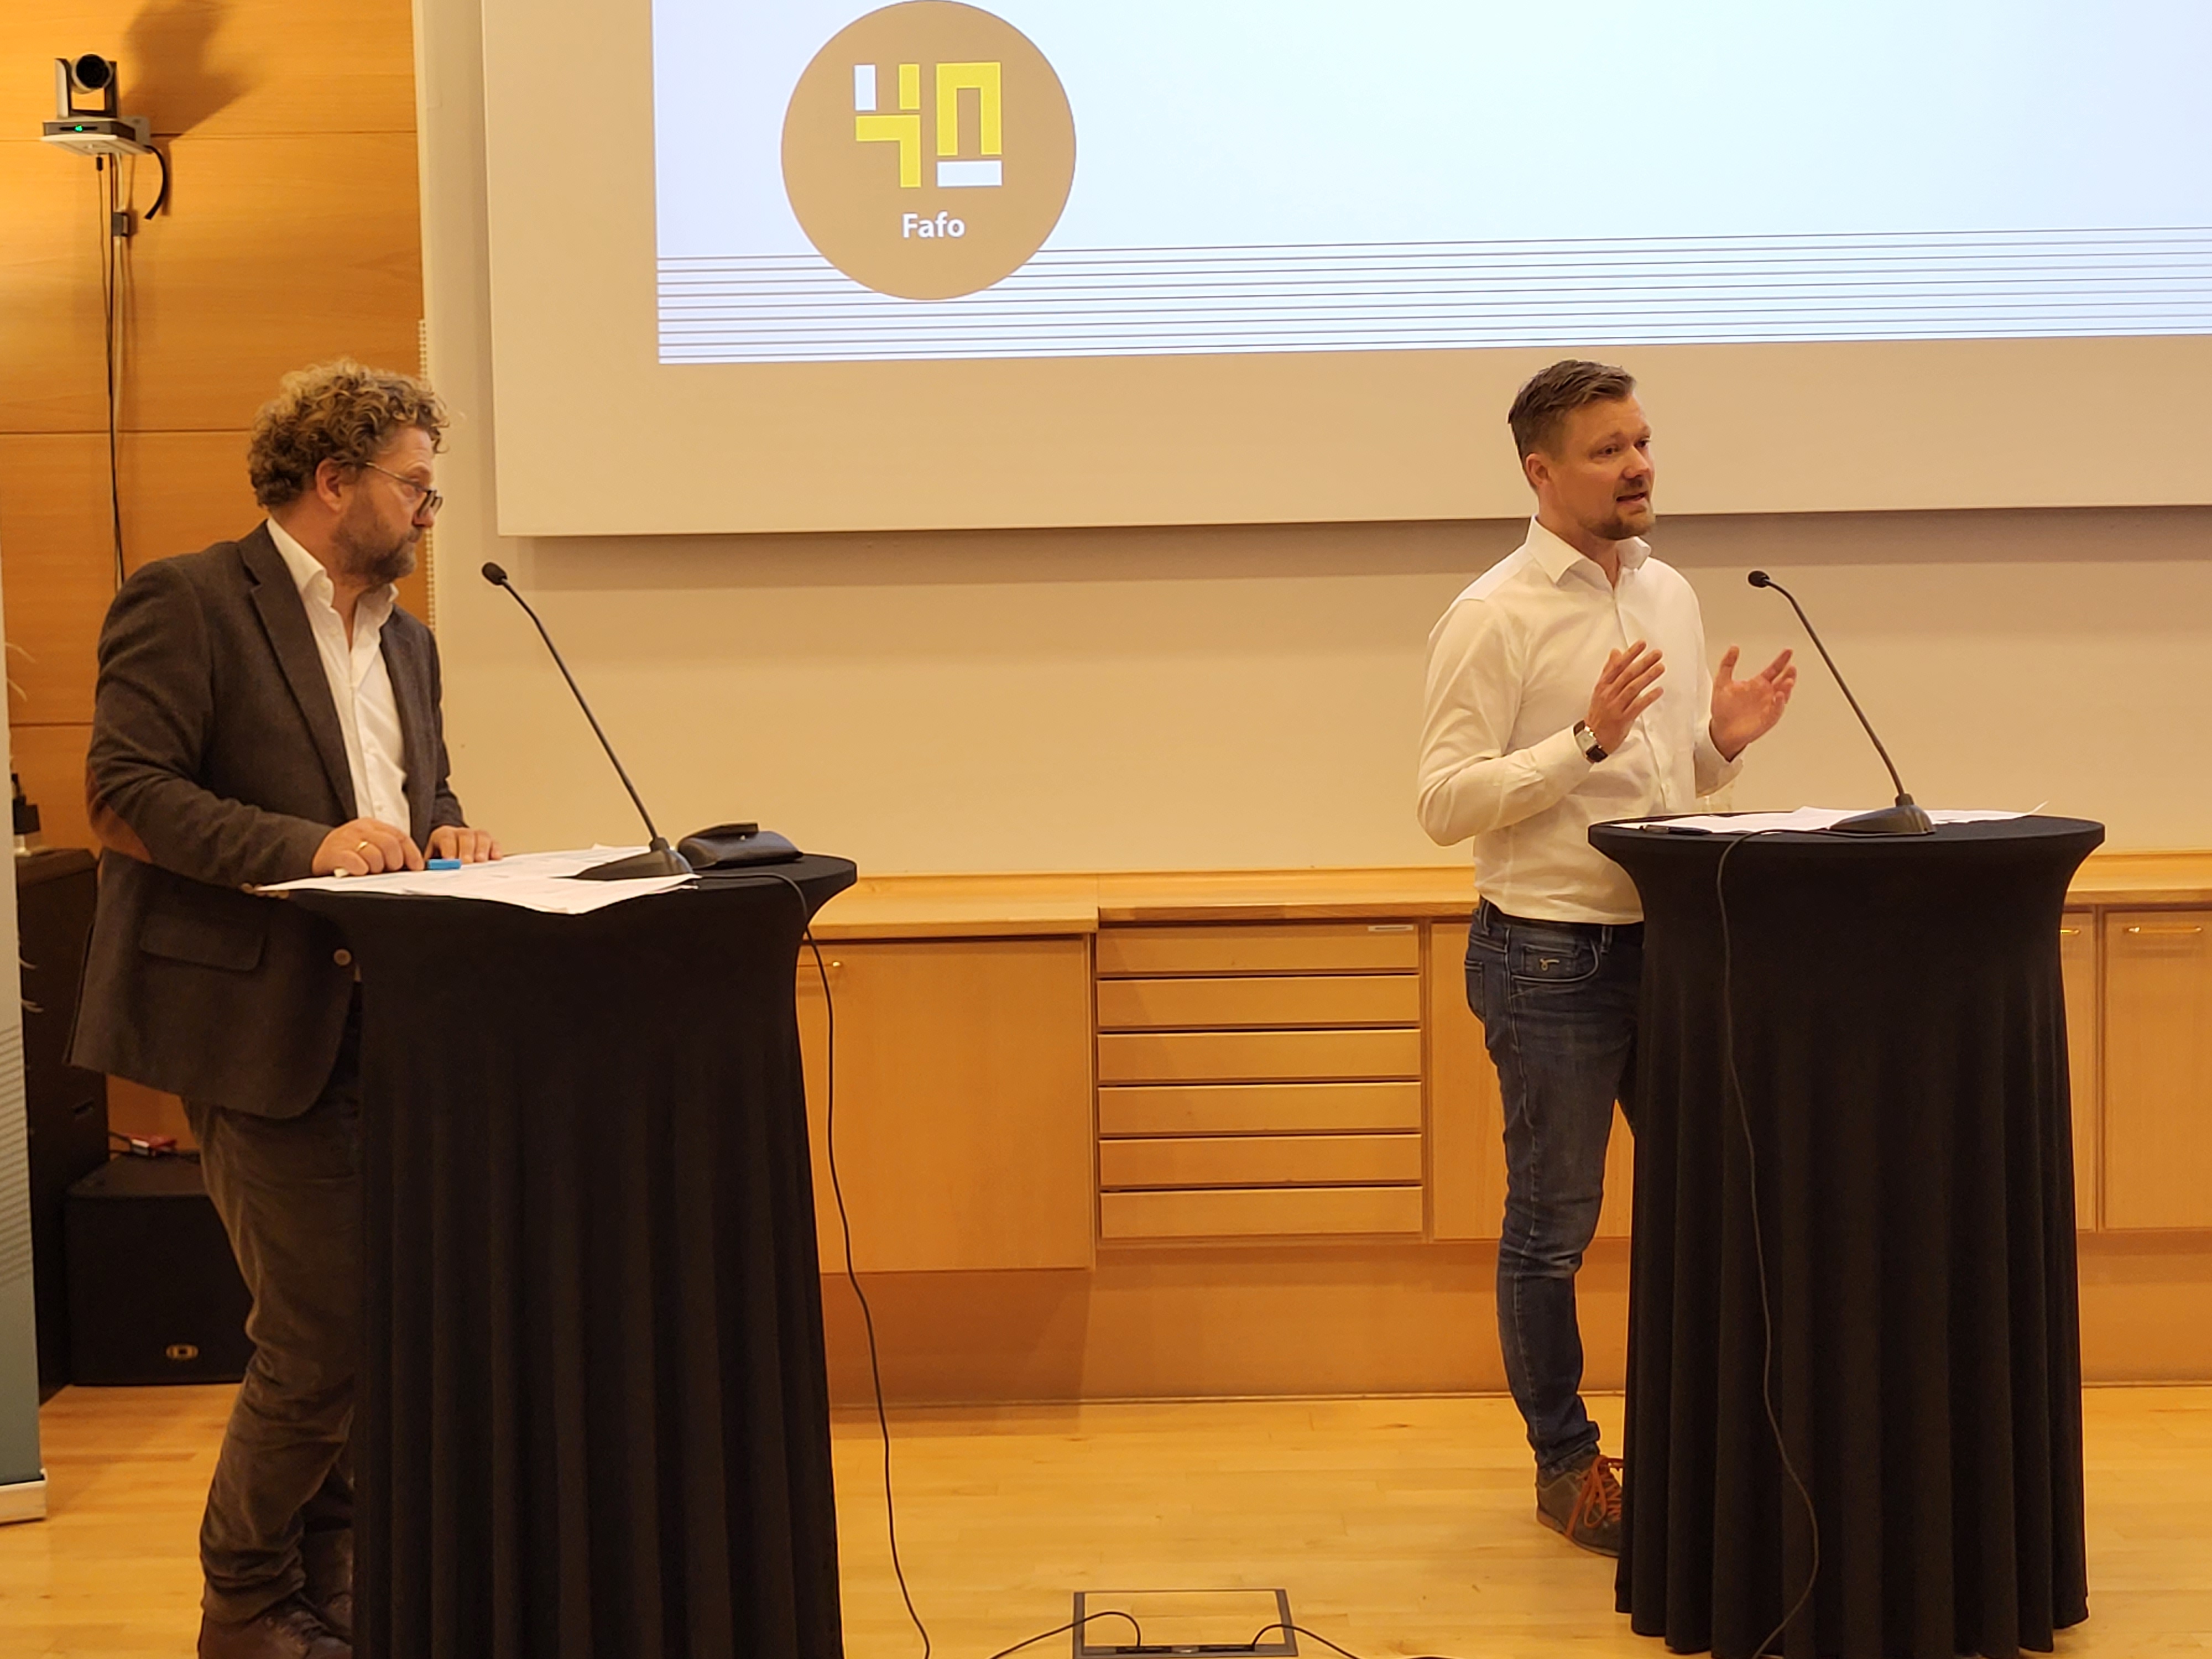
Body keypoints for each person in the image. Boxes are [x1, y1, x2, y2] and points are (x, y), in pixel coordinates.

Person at [71, 360, 499, 1659]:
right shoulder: (192, 601)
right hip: (253, 1028)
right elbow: (124, 793)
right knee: (324, 1336)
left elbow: (409, 792)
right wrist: (305, 845)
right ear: (331, 480)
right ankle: (246, 1599)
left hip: (394, 1023)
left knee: (381, 1331)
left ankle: (335, 1579)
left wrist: (446, 831)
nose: (429, 513)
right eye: (414, 487)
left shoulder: (410, 641)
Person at [1416, 360, 1796, 1556]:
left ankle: (1702, 1439)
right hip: (1548, 958)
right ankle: (1566, 1464)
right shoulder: (1492, 616)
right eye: (1606, 450)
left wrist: (1719, 747)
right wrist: (1582, 739)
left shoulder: (1669, 593)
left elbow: (1665, 778)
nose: (1637, 467)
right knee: (1553, 1228)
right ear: (1540, 473)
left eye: (1640, 442)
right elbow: (1442, 803)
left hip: (1675, 947)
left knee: (1712, 1204)